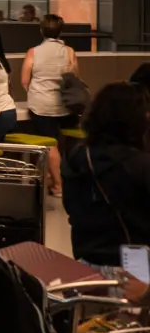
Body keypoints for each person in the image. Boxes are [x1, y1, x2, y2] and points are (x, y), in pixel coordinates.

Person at [62, 81, 150, 268]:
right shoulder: (140, 164)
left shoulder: (75, 156)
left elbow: (70, 208)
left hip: (85, 266)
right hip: (136, 270)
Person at [23, 13, 78, 192]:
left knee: (51, 143)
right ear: (61, 32)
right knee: (62, 140)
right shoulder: (70, 52)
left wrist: (36, 92)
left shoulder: (34, 52)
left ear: (41, 31)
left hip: (41, 106)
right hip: (64, 106)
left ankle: (58, 185)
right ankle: (53, 177)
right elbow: (75, 78)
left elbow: (25, 80)